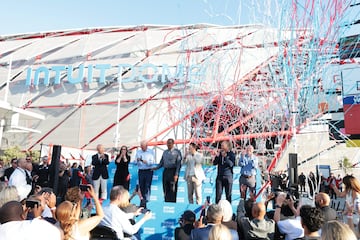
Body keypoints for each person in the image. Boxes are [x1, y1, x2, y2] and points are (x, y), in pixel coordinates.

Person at [154, 138, 182, 202]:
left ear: (173, 144)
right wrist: (156, 167)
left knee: (173, 189)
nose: (168, 145)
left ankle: (173, 202)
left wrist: (176, 174)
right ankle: (166, 201)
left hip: (173, 171)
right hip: (166, 171)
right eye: (167, 143)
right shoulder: (165, 152)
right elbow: (161, 162)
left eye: (169, 143)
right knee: (165, 187)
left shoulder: (177, 152)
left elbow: (178, 164)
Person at [135, 140, 156, 207]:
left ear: (146, 146)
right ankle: (142, 200)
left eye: (143, 147)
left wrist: (145, 161)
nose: (142, 148)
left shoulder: (151, 152)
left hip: (148, 170)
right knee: (141, 186)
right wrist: (138, 160)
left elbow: (151, 162)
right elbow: (135, 162)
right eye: (141, 147)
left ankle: (147, 200)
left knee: (147, 186)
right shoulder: (138, 152)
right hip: (141, 170)